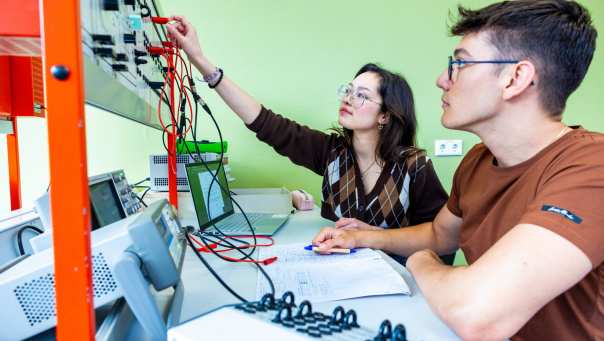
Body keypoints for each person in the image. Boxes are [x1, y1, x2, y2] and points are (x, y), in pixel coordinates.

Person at [312, 0, 603, 340]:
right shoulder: (478, 160)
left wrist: (422, 262)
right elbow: (439, 235)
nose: (441, 79)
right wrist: (360, 236)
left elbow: (476, 313)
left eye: (460, 64)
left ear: (515, 77)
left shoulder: (592, 167)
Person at [166, 16, 455, 264]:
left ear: (385, 116)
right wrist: (201, 62)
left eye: (362, 95)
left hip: (397, 283)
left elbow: (443, 241)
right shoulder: (332, 153)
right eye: (349, 90)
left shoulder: (414, 165)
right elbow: (265, 123)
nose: (349, 99)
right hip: (337, 274)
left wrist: (375, 237)